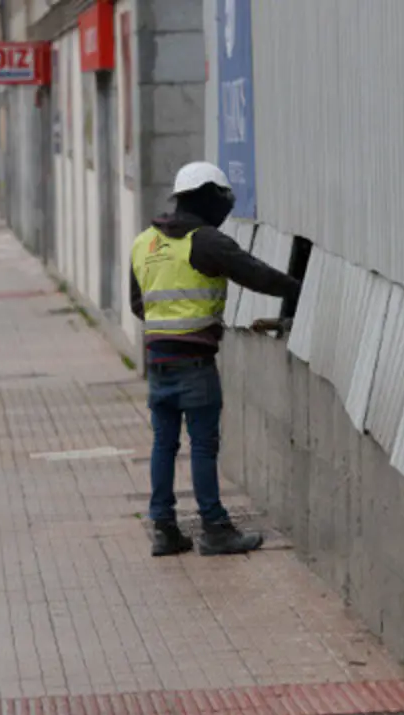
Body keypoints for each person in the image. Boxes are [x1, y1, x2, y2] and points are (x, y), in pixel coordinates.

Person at [129, 161, 301, 557]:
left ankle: (165, 530)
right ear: (208, 197)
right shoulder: (204, 241)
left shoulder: (144, 243)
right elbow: (257, 275)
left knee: (164, 445)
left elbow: (138, 304)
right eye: (223, 199)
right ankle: (215, 529)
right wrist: (299, 287)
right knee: (204, 447)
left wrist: (168, 323)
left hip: (158, 361)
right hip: (195, 363)